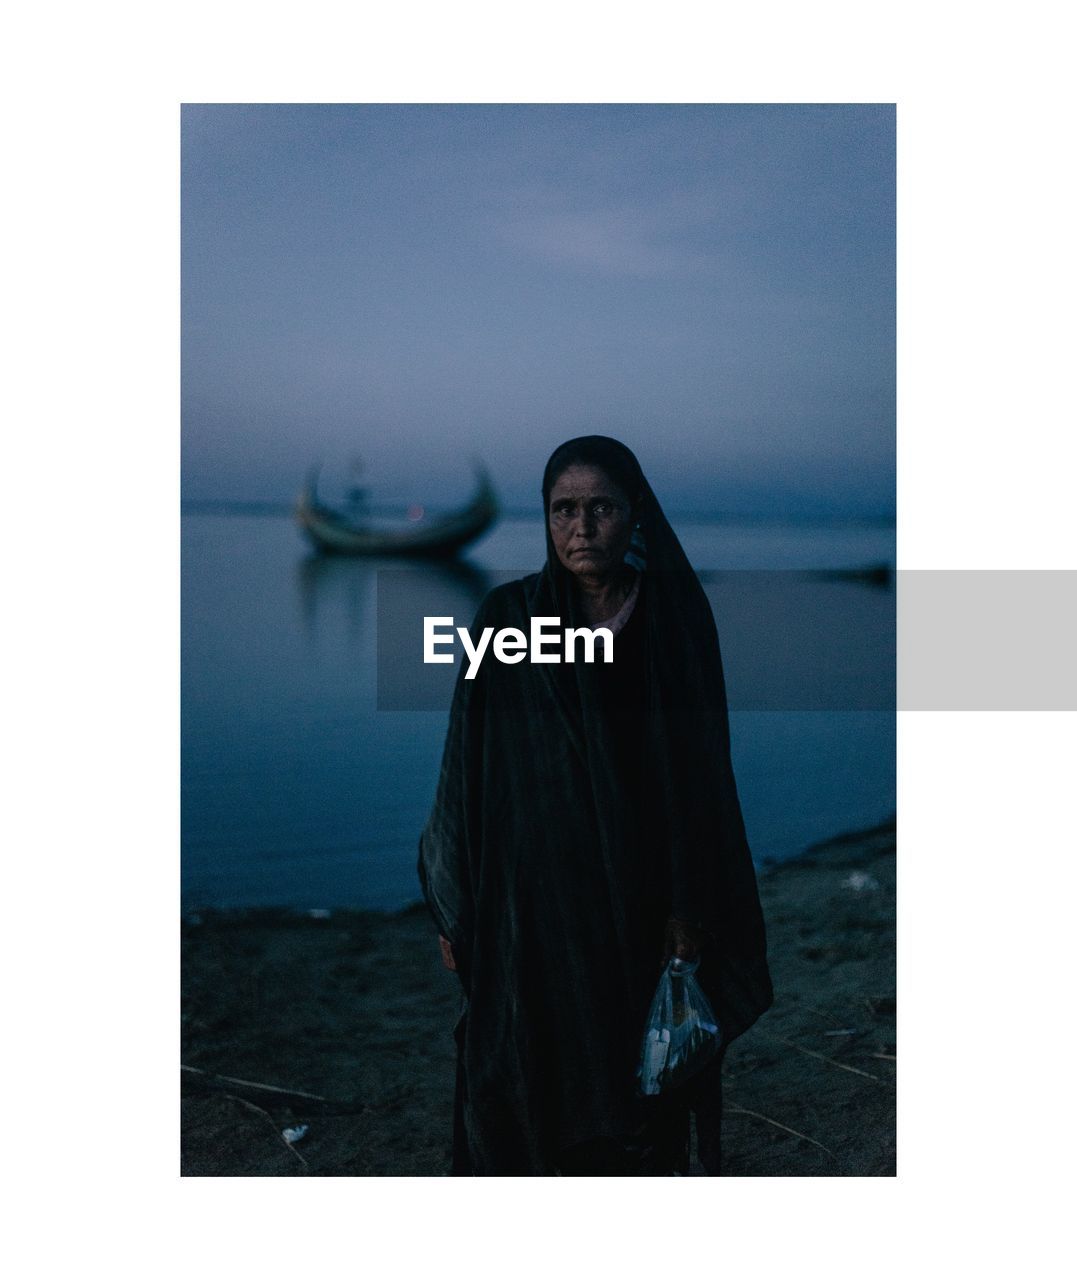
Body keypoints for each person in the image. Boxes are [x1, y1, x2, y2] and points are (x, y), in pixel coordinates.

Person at [418, 436, 772, 1176]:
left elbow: (701, 778)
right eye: (563, 510)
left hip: (637, 903)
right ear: (545, 521)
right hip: (526, 908)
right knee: (522, 1080)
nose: (582, 528)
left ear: (635, 514)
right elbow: (465, 769)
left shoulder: (671, 626)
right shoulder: (505, 619)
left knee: (634, 1090)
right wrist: (455, 906)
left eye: (601, 507)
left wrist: (687, 905)